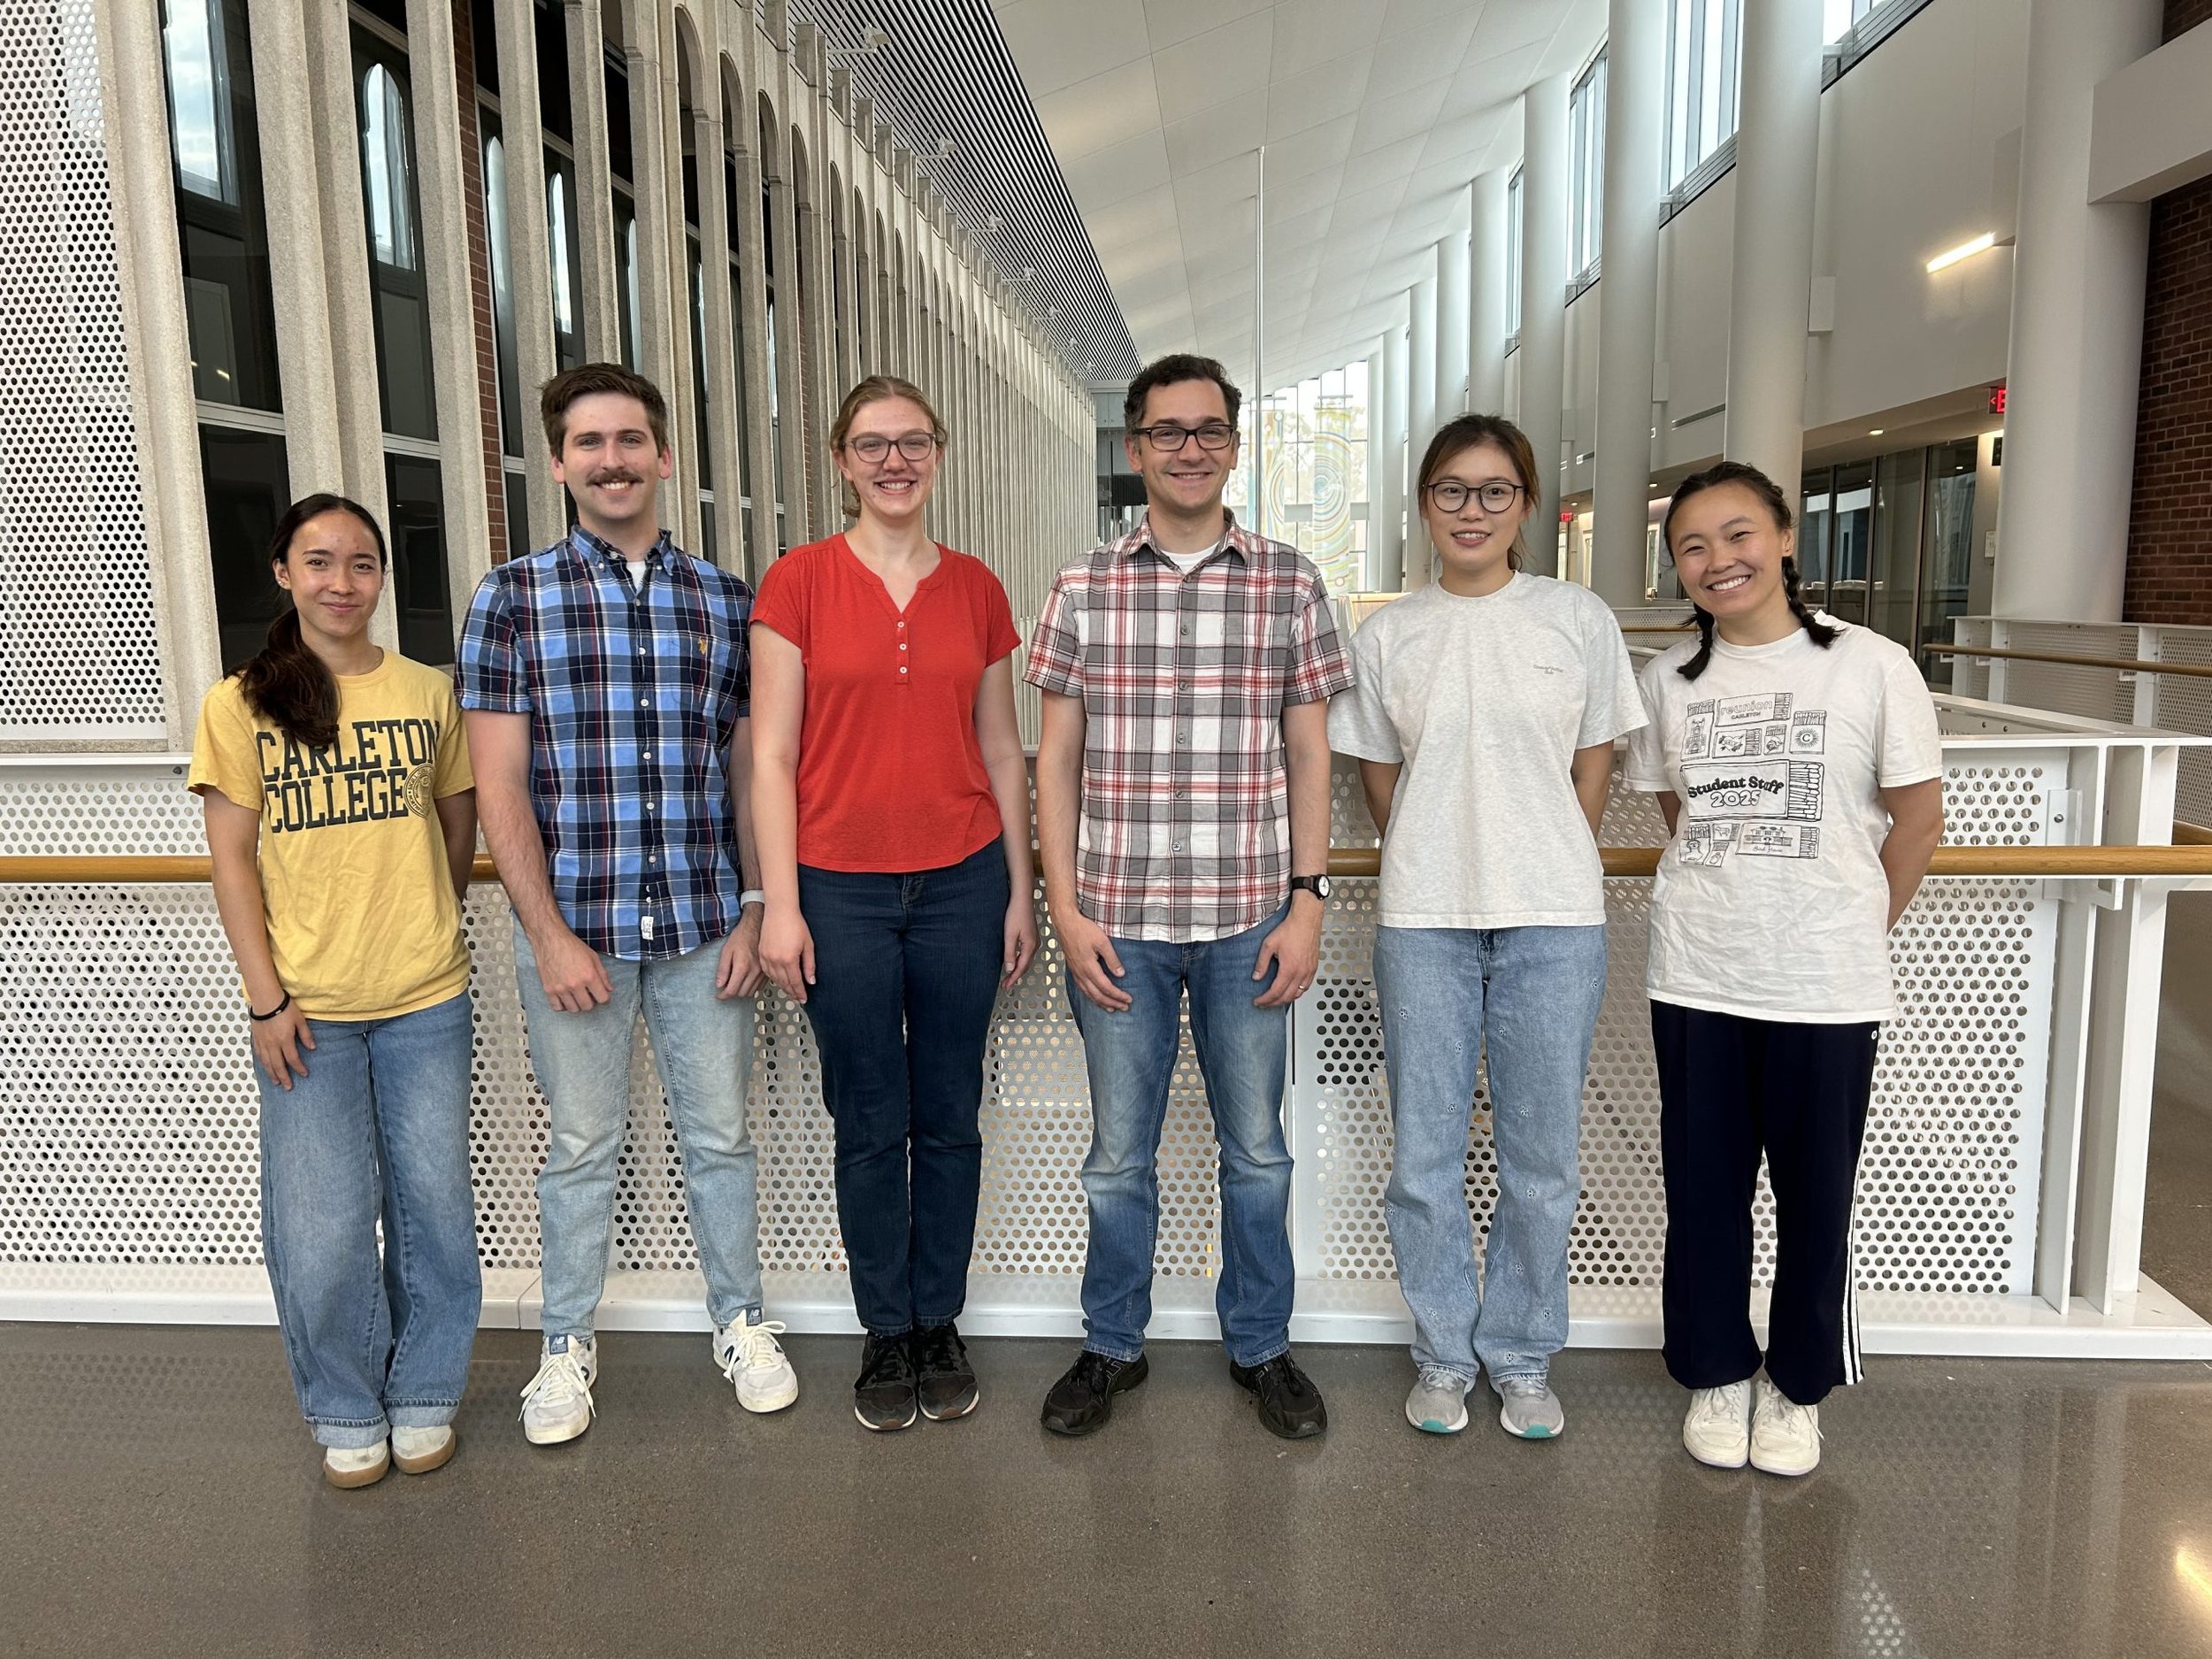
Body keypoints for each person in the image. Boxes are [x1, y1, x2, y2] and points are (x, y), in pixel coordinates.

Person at [457, 363, 796, 1445]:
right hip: (578, 935)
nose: (613, 460)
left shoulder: (725, 599)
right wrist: (546, 934)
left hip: (707, 927)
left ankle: (740, 1322)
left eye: (631, 439)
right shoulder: (510, 598)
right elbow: (498, 784)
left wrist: (751, 908)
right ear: (558, 462)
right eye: (590, 442)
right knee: (582, 1147)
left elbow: (750, 773)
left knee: (721, 1139)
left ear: (662, 456)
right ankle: (565, 1346)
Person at [1025, 352, 1354, 1440]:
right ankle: (1111, 1343)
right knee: (1118, 1154)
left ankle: (1260, 1345)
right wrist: (1067, 909)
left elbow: (1310, 756)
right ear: (1135, 449)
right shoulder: (1081, 584)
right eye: (1167, 431)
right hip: (1116, 917)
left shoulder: (1289, 581)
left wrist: (1307, 901)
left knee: (1255, 1149)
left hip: (1247, 916)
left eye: (1208, 429)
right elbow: (1054, 760)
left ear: (1233, 443)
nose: (1188, 448)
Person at [1330, 413, 1645, 1441]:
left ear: (1527, 506)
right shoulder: (1390, 634)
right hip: (1423, 917)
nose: (1472, 510)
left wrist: (1547, 842)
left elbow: (1595, 755)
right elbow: (1379, 771)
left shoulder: (1575, 616)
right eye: (1452, 491)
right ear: (1425, 505)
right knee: (1423, 1155)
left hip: (1555, 919)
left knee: (1540, 1155)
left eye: (1495, 491)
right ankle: (1439, 1352)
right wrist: (1433, 844)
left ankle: (1519, 1353)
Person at [1625, 460, 1943, 1477]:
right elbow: (1682, 816)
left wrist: (1850, 925)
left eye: (1737, 535)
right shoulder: (1670, 682)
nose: (1718, 560)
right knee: (1704, 1191)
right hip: (1699, 975)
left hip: (1825, 987)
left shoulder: (1871, 665)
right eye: (1692, 546)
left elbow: (1917, 819)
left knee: (1817, 1196)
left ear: (1785, 538)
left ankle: (1796, 1386)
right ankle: (1717, 1368)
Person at [751, 376, 1037, 1432]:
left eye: (912, 441)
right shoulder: (798, 583)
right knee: (870, 1117)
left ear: (938, 452)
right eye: (871, 444)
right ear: (840, 461)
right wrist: (780, 905)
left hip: (962, 879)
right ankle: (884, 1330)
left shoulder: (975, 588)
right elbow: (772, 755)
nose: (893, 460)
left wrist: (1018, 889)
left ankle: (937, 1320)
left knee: (949, 1112)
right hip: (839, 888)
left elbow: (1003, 750)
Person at [191, 494, 480, 1488]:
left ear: (382, 579)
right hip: (306, 1009)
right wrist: (265, 998)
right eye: (319, 563)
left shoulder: (424, 692)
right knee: (319, 1223)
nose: (341, 583)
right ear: (283, 573)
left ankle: (426, 1391)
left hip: (425, 995)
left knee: (435, 1211)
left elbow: (453, 823)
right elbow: (231, 860)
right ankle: (346, 1402)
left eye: (361, 565)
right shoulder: (240, 703)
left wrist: (423, 920)